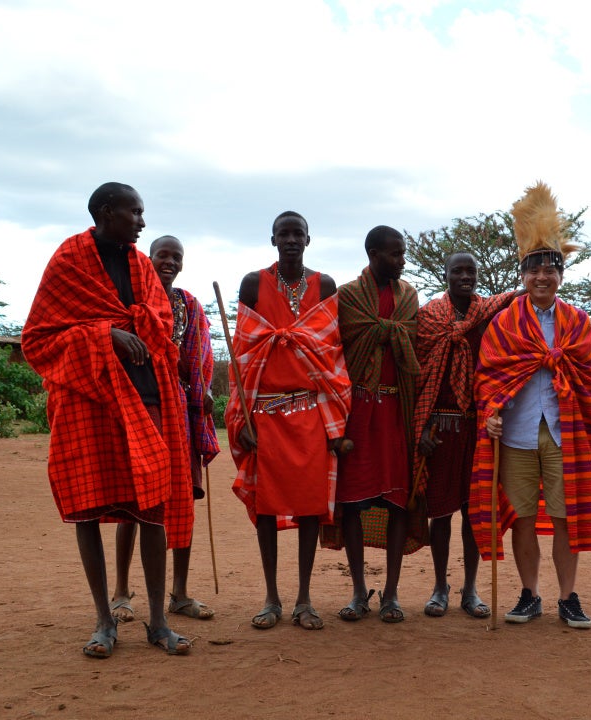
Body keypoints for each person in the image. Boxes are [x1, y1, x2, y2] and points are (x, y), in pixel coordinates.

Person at [21, 182, 192, 657]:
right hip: (87, 399)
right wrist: (106, 335)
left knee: (153, 508)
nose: (141, 221)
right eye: (134, 212)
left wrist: (132, 326)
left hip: (146, 396)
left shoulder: (140, 264)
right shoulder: (68, 260)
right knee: (89, 508)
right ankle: (104, 620)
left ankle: (158, 621)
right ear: (105, 212)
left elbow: (159, 323)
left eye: (143, 212)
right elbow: (37, 337)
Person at [470, 182, 591, 630]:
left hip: (564, 431)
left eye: (550, 269)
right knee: (522, 517)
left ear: (561, 276)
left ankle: (568, 598)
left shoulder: (577, 322)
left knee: (565, 514)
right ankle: (530, 594)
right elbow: (489, 377)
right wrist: (490, 412)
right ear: (522, 274)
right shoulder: (503, 324)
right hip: (515, 434)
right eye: (534, 269)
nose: (542, 277)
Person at [225, 211, 352, 631]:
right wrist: (241, 416)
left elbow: (331, 354)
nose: (291, 239)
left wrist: (336, 423)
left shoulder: (325, 285)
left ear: (309, 240)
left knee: (311, 508)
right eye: (285, 233)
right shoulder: (252, 284)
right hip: (263, 413)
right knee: (265, 507)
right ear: (273, 239)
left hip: (311, 414)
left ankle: (304, 599)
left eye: (298, 233)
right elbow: (242, 357)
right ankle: (271, 598)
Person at [109, 235, 220, 625]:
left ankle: (180, 593)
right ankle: (121, 592)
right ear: (148, 258)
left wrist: (203, 390)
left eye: (177, 257)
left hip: (181, 412)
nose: (169, 262)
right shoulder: (131, 298)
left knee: (181, 501)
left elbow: (199, 354)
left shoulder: (189, 305)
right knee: (134, 501)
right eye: (162, 255)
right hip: (141, 405)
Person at [413, 252, 514, 619]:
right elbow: (419, 376)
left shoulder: (488, 315)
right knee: (440, 513)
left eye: (471, 271)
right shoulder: (428, 317)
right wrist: (422, 427)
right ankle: (440, 586)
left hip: (477, 426)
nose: (465, 276)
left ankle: (470, 589)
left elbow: (517, 296)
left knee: (475, 512)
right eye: (458, 270)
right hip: (440, 427)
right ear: (445, 275)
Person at [331, 225, 422, 623]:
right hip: (358, 411)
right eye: (395, 253)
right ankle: (356, 591)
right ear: (373, 253)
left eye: (402, 254)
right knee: (352, 502)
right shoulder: (348, 296)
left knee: (398, 501)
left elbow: (413, 340)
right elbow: (342, 346)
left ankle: (392, 593)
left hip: (397, 408)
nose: (402, 260)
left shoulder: (410, 297)